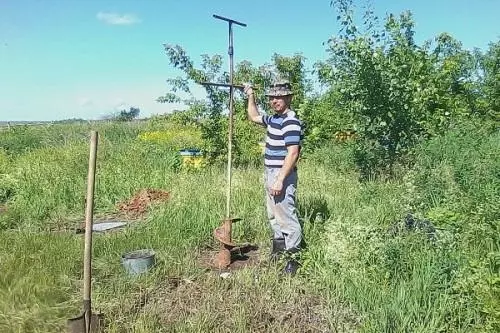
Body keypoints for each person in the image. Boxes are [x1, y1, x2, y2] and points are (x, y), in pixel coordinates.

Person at [244, 81, 303, 275]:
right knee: (274, 216)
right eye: (271, 97)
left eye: (279, 97)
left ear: (288, 98)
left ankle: (293, 262)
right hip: (270, 173)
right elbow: (253, 116)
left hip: (281, 175)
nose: (274, 101)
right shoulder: (274, 119)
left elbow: (293, 153)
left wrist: (279, 180)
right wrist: (250, 95)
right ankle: (278, 253)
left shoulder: (290, 122)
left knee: (287, 218)